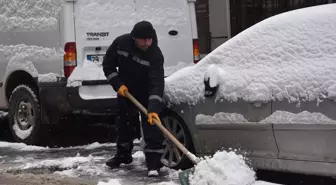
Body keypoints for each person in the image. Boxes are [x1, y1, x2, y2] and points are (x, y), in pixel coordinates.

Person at [102, 20, 166, 177]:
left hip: (146, 94)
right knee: (124, 125)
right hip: (126, 91)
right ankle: (123, 155)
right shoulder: (121, 43)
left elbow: (157, 84)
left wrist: (153, 109)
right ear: (134, 38)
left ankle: (153, 163)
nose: (147, 42)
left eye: (149, 39)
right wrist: (118, 84)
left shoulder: (155, 55)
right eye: (143, 39)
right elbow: (108, 65)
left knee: (152, 127)